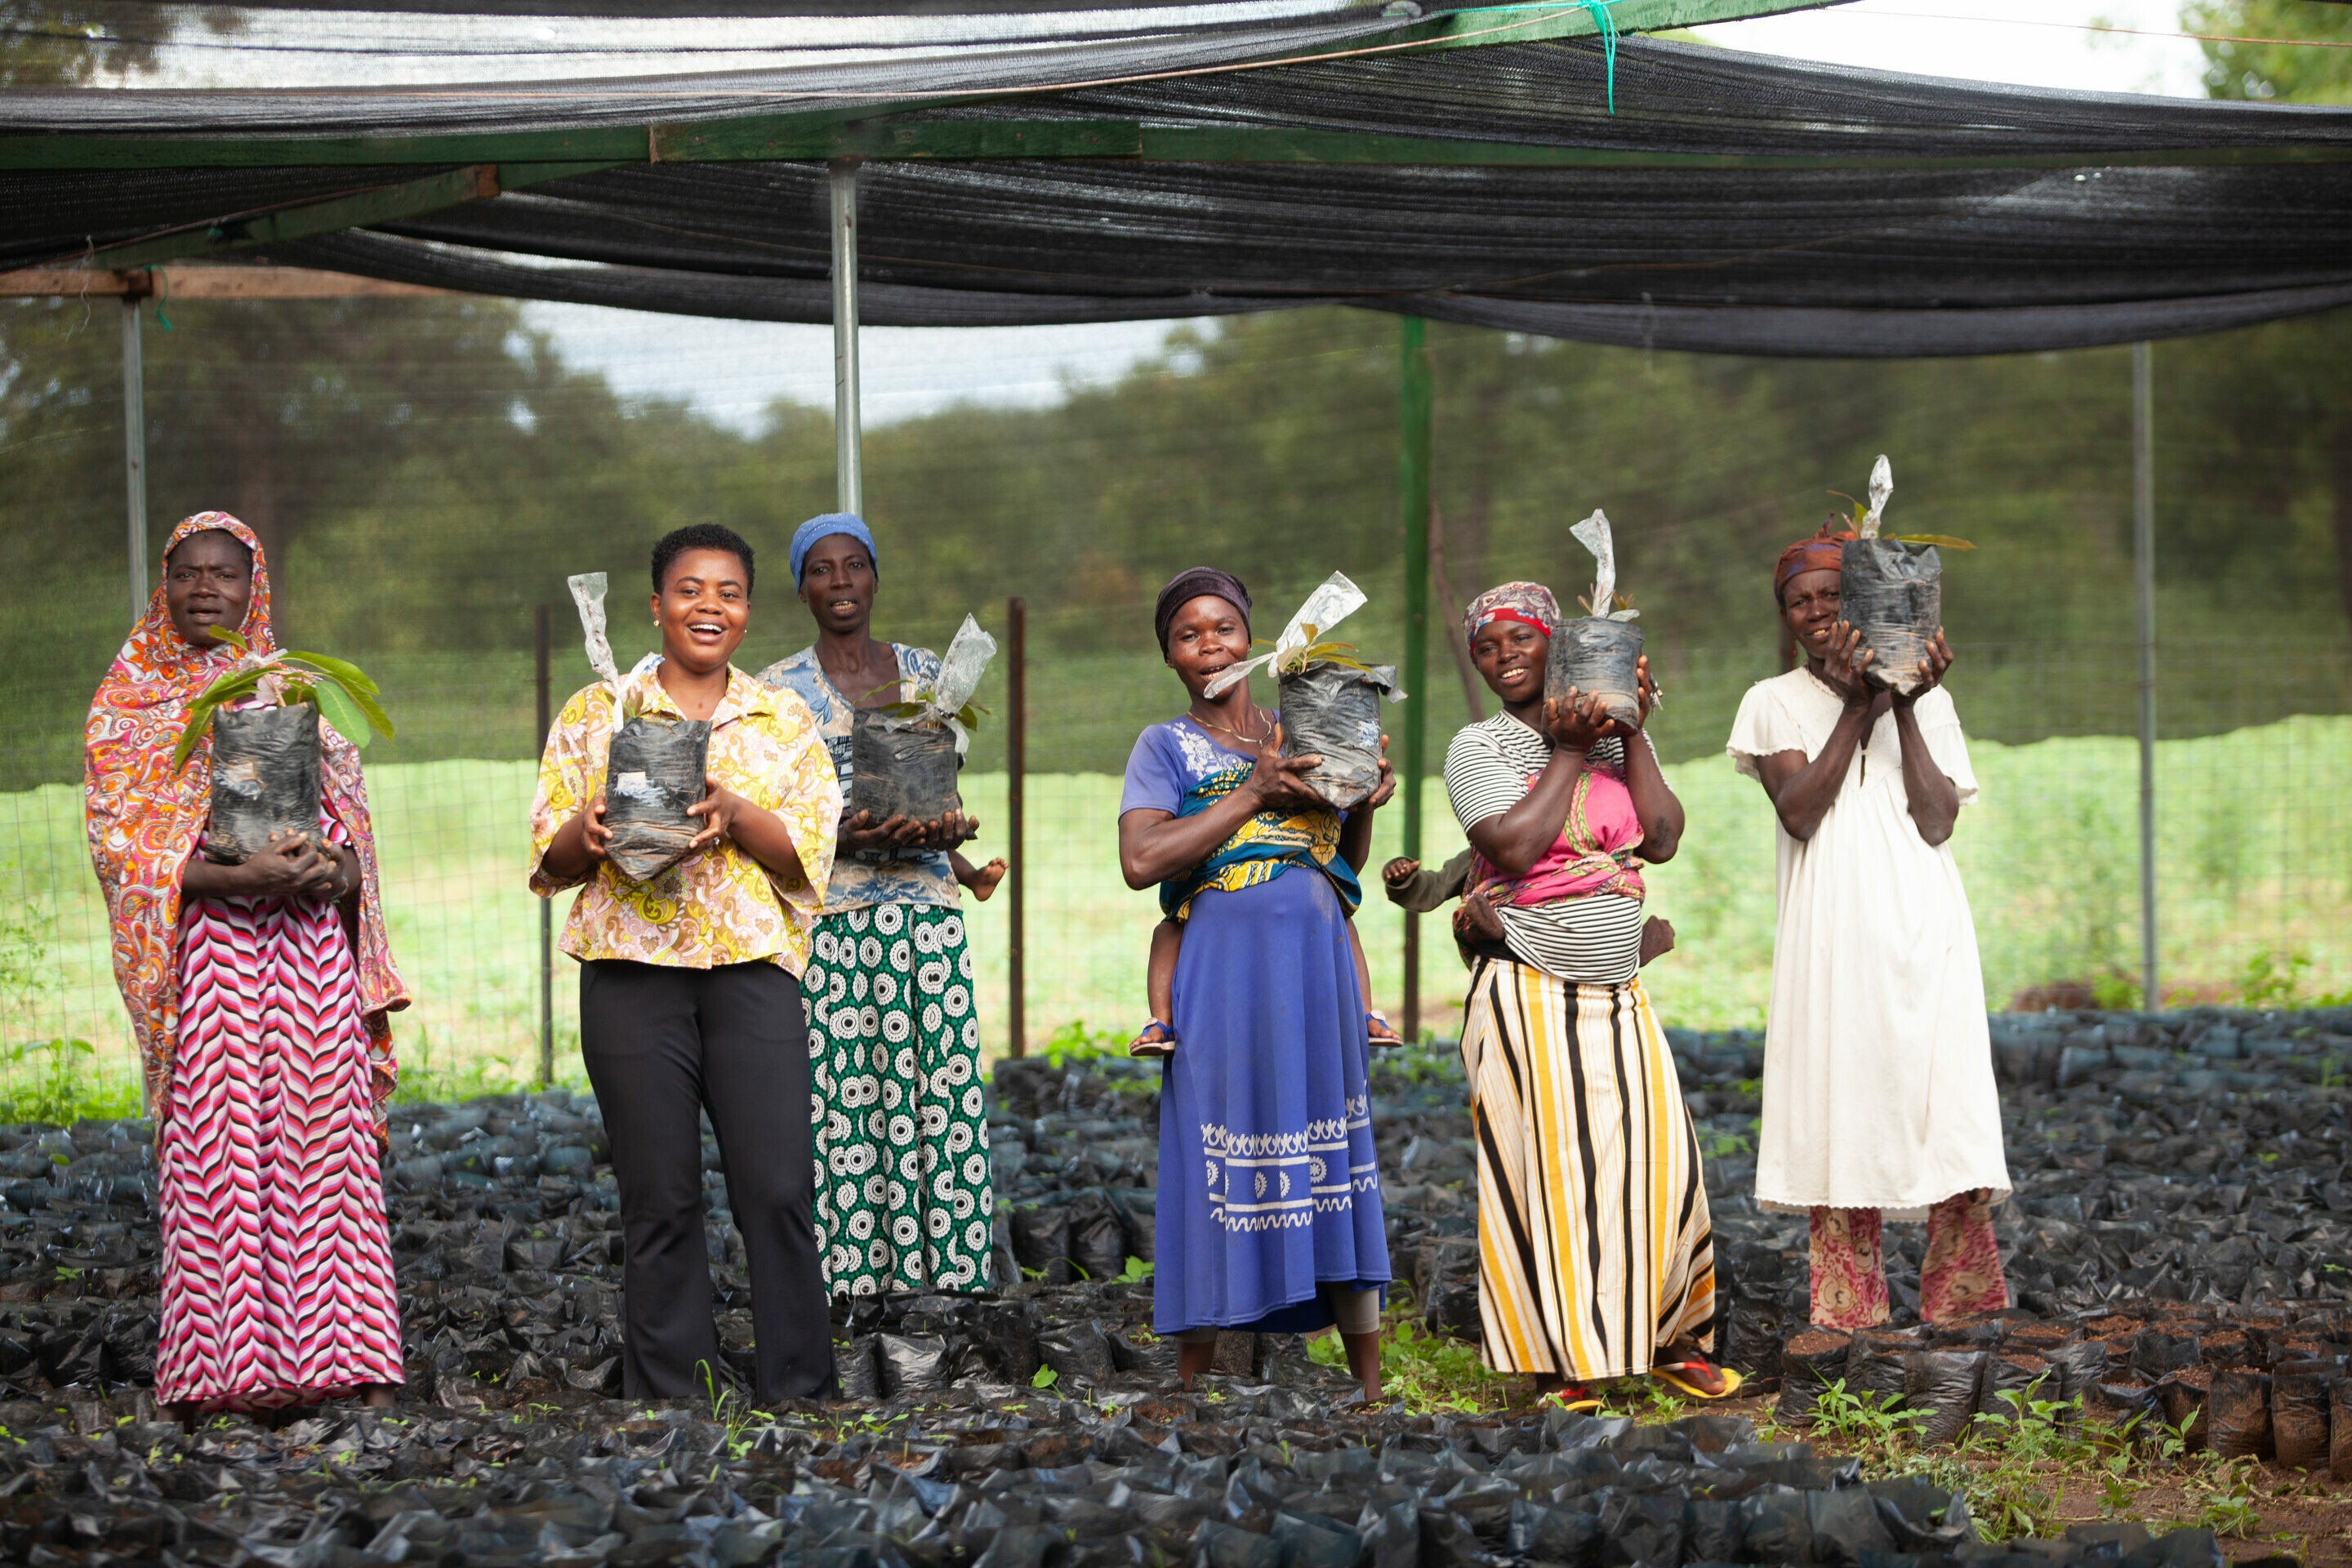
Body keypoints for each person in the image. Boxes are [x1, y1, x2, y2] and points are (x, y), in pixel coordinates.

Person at [86, 511, 408, 1413]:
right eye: (187, 572)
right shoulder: (132, 699)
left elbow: (354, 839)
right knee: (217, 1158)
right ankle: (220, 1376)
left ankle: (348, 1364)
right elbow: (120, 847)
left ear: (253, 585)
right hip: (211, 958)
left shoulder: (294, 690)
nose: (204, 589)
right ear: (164, 582)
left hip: (307, 955)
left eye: (225, 573)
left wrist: (328, 870)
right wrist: (235, 877)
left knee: (323, 1148)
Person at [531, 523, 841, 1401]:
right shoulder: (600, 711)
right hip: (631, 979)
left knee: (777, 1187)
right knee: (659, 1197)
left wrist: (735, 811)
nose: (710, 606)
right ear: (657, 604)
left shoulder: (782, 718)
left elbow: (806, 857)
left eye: (730, 592)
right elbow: (547, 864)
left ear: (747, 613)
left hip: (752, 977)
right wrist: (584, 835)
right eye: (690, 589)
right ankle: (672, 1397)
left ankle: (800, 1391)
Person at [1442, 581, 1730, 1408]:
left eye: (1520, 641)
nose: (1504, 659)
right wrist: (1567, 751)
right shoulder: (1479, 747)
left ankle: (1672, 1335)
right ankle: (1568, 1365)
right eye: (1487, 648)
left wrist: (1628, 731)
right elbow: (1515, 846)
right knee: (1556, 1176)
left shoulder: (1608, 737)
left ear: (1556, 645)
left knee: (1665, 1166)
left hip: (1618, 989)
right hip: (1529, 985)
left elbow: (1665, 836)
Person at [1726, 523, 2009, 1330]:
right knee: (1842, 1098)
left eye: (1830, 597)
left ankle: (1959, 1309)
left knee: (1941, 1094)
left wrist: (1906, 705)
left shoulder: (1934, 699)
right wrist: (1858, 704)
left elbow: (1936, 819)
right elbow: (1800, 812)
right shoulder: (1772, 701)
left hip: (1926, 929)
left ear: (1862, 602)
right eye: (1798, 603)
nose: (1815, 613)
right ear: (1785, 618)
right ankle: (1852, 1317)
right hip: (1833, 938)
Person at [1117, 568, 1392, 1401]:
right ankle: (1194, 1389)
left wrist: (1366, 799)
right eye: (1188, 634)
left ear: (1252, 636)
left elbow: (1340, 862)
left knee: (1330, 1154)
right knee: (1215, 1157)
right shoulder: (1165, 747)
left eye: (1224, 629)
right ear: (1168, 653)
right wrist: (1253, 791)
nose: (1209, 646)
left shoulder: (1300, 722)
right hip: (1220, 982)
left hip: (1315, 975)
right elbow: (1142, 862)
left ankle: (1371, 1390)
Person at [758, 514, 1000, 1299]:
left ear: (874, 577)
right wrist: (845, 840)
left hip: (924, 915)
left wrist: (956, 849)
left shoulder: (931, 673)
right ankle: (853, 1284)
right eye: (821, 570)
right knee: (843, 1101)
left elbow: (938, 788)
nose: (839, 584)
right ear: (801, 586)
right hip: (831, 918)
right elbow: (775, 819)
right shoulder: (776, 690)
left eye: (853, 566)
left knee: (941, 1090)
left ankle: (950, 1281)